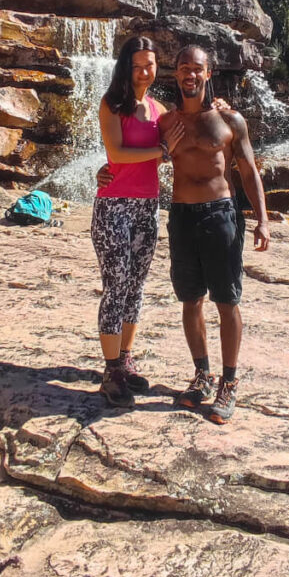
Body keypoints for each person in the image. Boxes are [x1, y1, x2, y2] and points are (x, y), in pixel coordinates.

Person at [158, 45, 270, 425]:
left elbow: (249, 170)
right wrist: (104, 174)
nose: (190, 74)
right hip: (181, 215)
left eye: (197, 68)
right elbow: (134, 154)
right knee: (190, 299)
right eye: (183, 67)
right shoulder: (166, 121)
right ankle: (201, 376)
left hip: (221, 214)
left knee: (226, 301)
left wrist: (263, 219)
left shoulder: (230, 120)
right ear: (175, 74)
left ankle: (229, 383)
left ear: (209, 73)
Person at [91, 36, 185, 407]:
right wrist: (160, 152)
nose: (146, 72)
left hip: (147, 206)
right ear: (125, 67)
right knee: (116, 285)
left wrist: (218, 104)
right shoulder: (112, 104)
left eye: (150, 65)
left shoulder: (158, 108)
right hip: (113, 205)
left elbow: (188, 126)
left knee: (136, 286)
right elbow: (116, 152)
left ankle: (125, 360)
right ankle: (111, 370)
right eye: (138, 65)